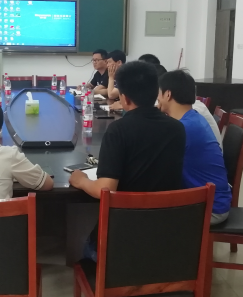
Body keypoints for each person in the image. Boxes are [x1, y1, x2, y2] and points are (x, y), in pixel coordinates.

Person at [69, 61, 186, 261]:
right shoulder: (178, 128)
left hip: (124, 235)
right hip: (165, 231)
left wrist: (81, 181)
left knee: (80, 243)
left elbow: (105, 189)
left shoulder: (118, 131)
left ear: (124, 98)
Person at [158, 70, 231, 225]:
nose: (157, 99)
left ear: (168, 94)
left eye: (159, 93)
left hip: (210, 209)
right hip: (212, 200)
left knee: (144, 213)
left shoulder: (184, 128)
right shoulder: (194, 117)